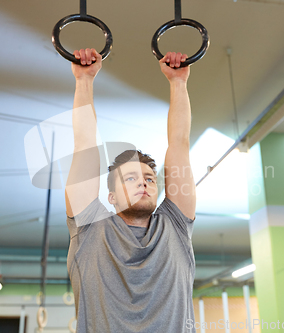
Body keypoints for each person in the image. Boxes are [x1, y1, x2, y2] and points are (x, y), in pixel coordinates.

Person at [65, 48, 196, 333]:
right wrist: (84, 80)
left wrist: (178, 83)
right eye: (131, 179)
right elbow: (85, 145)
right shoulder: (90, 228)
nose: (144, 183)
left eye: (149, 179)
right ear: (110, 198)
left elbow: (180, 143)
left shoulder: (175, 227)